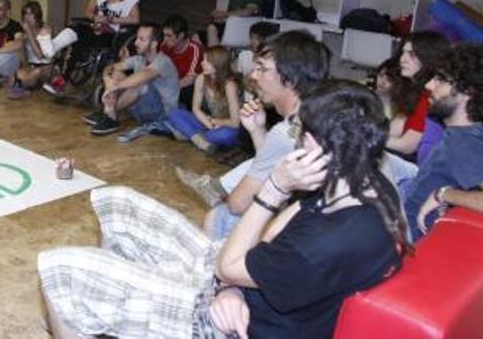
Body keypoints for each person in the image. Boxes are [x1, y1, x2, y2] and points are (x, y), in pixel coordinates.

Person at [38, 80, 406, 339]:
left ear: (318, 143)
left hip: (226, 326)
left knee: (60, 269)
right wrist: (232, 286)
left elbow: (229, 264)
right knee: (115, 201)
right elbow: (273, 236)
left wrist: (274, 189)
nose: (295, 140)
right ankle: (114, 316)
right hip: (240, 284)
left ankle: (106, 306)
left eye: (299, 133)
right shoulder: (361, 180)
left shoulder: (332, 241)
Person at [203, 30, 330, 239]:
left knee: (220, 217)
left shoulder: (287, 131)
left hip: (316, 234)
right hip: (345, 227)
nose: (253, 76)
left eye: (262, 69)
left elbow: (237, 204)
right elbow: (274, 163)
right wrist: (257, 131)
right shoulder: (321, 109)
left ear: (291, 79)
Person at [399, 44, 483, 241]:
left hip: (397, 237)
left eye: (440, 80)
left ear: (467, 91)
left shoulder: (464, 142)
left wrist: (444, 194)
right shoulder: (464, 134)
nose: (428, 86)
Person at [43, 0, 140, 96]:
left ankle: (62, 78)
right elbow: (88, 11)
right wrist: (96, 17)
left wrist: (112, 19)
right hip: (95, 27)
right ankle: (53, 47)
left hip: (111, 33)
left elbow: (136, 19)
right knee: (76, 27)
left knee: (81, 40)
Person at [83, 23, 179, 137]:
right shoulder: (139, 59)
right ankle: (109, 115)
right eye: (137, 38)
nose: (135, 43)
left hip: (161, 115)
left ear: (154, 44)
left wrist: (114, 87)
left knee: (139, 84)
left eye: (141, 39)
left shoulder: (164, 62)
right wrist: (107, 79)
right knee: (117, 73)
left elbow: (143, 76)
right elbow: (111, 67)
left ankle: (109, 113)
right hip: (142, 112)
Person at [386, 31, 451, 163]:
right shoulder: (411, 90)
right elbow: (393, 131)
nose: (402, 59)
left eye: (412, 54)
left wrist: (366, 138)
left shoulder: (430, 96)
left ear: (429, 58)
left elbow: (407, 146)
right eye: (403, 52)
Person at [166, 46, 242, 153]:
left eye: (207, 61)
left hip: (227, 126)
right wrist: (209, 124)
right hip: (209, 123)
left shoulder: (229, 85)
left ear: (217, 65)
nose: (202, 63)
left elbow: (235, 122)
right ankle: (198, 140)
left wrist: (214, 121)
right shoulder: (201, 78)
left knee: (224, 135)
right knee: (174, 113)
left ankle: (191, 134)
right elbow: (195, 108)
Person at [7, 1, 56, 100]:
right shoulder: (24, 32)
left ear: (37, 15)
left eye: (30, 14)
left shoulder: (45, 30)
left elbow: (40, 56)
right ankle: (21, 85)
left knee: (36, 72)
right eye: (25, 14)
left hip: (46, 67)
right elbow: (25, 58)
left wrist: (29, 33)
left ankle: (23, 85)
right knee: (13, 77)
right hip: (32, 66)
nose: (27, 17)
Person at [161, 14, 203, 109]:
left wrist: (165, 89)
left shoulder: (194, 49)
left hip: (188, 88)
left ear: (180, 36)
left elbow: (189, 79)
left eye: (169, 36)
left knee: (189, 89)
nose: (165, 39)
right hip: (171, 85)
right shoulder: (164, 46)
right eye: (164, 35)